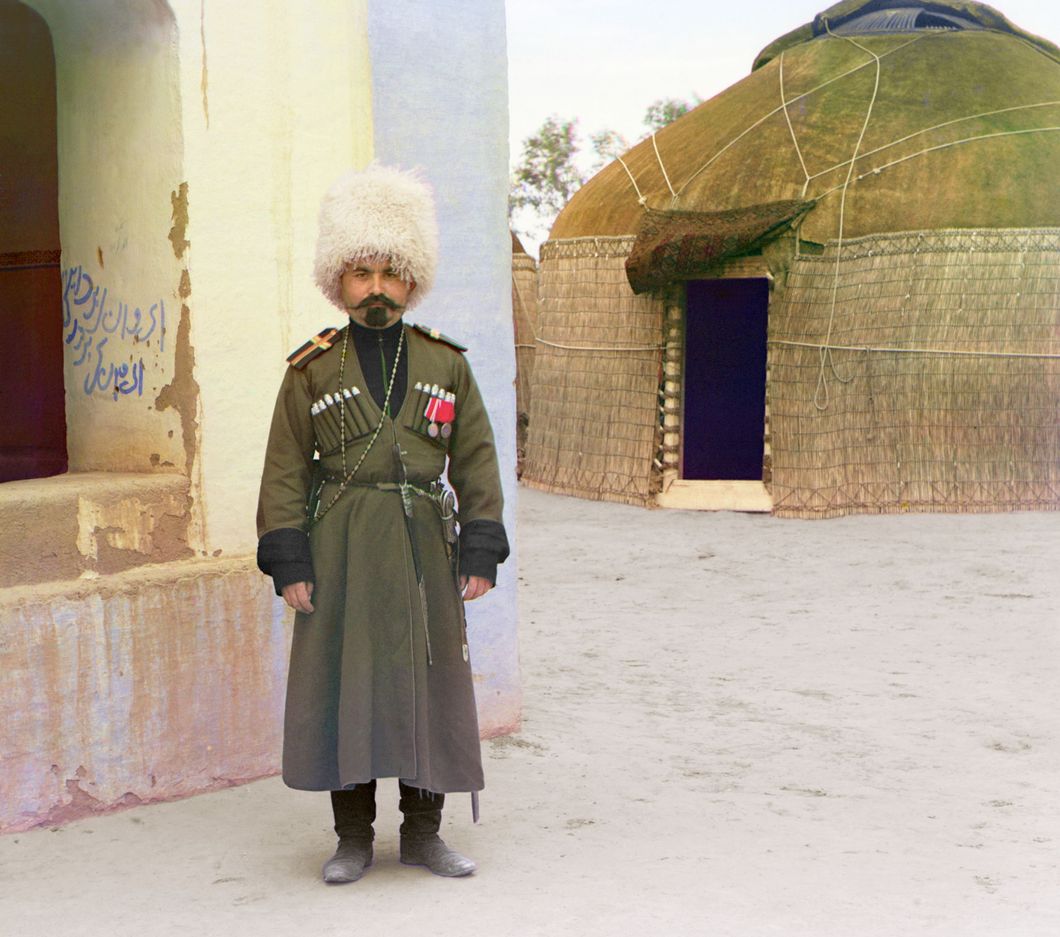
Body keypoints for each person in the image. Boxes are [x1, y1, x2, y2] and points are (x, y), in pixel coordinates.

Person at [255, 164, 509, 884]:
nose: (375, 287)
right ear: (339, 279)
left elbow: (477, 460)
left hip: (427, 543)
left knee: (429, 681)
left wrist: (480, 548)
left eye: (390, 272)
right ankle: (353, 838)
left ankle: (426, 834)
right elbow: (283, 472)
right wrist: (291, 561)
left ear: (412, 280)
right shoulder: (311, 369)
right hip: (340, 545)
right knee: (348, 681)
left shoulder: (445, 363)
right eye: (361, 271)